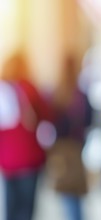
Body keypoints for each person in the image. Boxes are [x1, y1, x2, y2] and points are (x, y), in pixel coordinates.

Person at [0, 51, 53, 220]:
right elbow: (46, 116)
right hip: (30, 159)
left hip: (8, 161)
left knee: (11, 209)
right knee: (26, 211)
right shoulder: (29, 89)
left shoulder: (3, 90)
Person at [46, 55, 93, 220]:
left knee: (67, 189)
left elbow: (50, 120)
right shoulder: (81, 94)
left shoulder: (55, 94)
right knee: (75, 188)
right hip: (76, 145)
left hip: (61, 146)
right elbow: (89, 119)